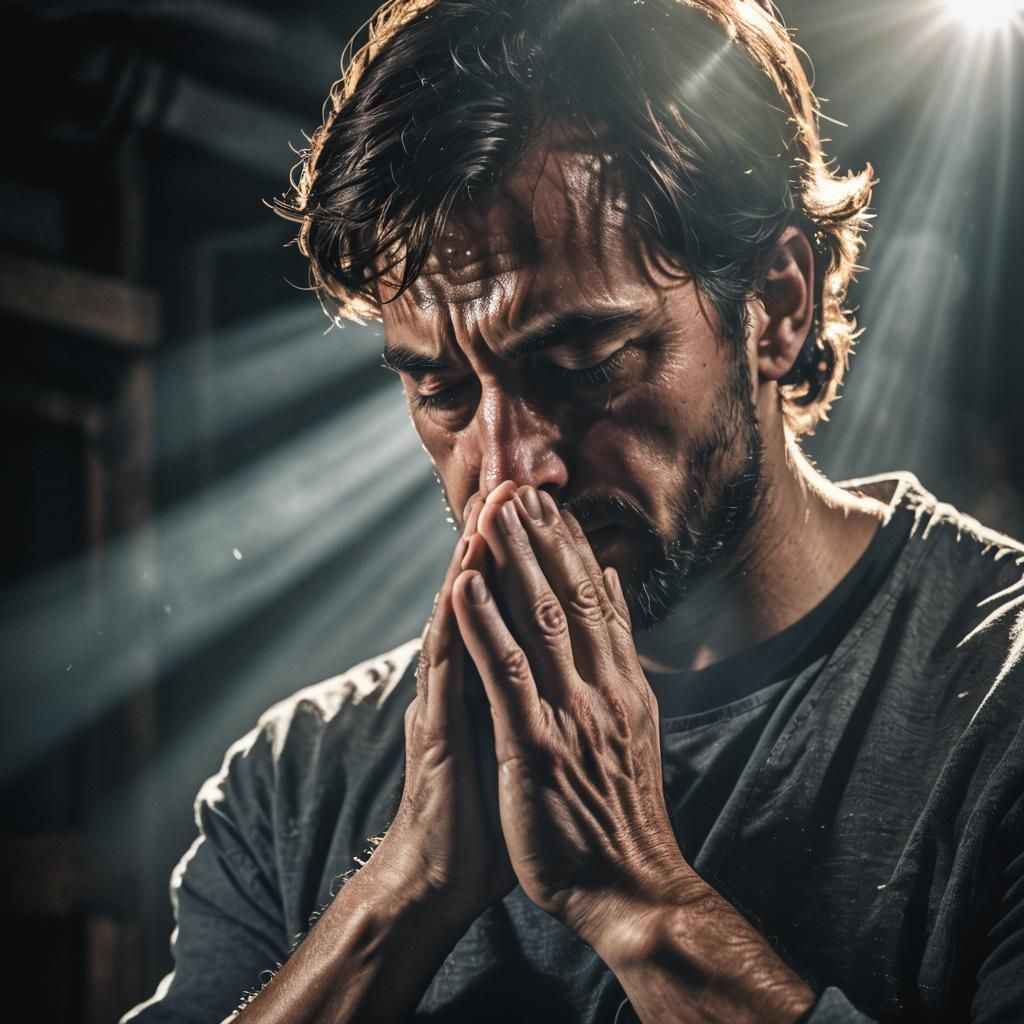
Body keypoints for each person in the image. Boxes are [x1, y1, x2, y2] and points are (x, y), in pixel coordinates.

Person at [123, 1, 1024, 1021]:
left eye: (582, 364)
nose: (506, 471)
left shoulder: (997, 706)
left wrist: (643, 902)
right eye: (442, 392)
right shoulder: (302, 779)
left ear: (776, 305)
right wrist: (399, 894)